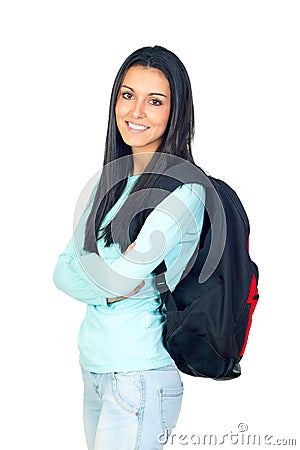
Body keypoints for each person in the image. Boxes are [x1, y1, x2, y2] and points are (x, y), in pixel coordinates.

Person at [53, 45, 206, 450]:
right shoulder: (108, 184)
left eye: (154, 101)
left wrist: (101, 274)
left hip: (141, 375)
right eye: (127, 95)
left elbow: (125, 273)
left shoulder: (183, 190)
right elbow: (61, 271)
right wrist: (109, 286)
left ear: (177, 112)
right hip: (95, 371)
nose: (136, 112)